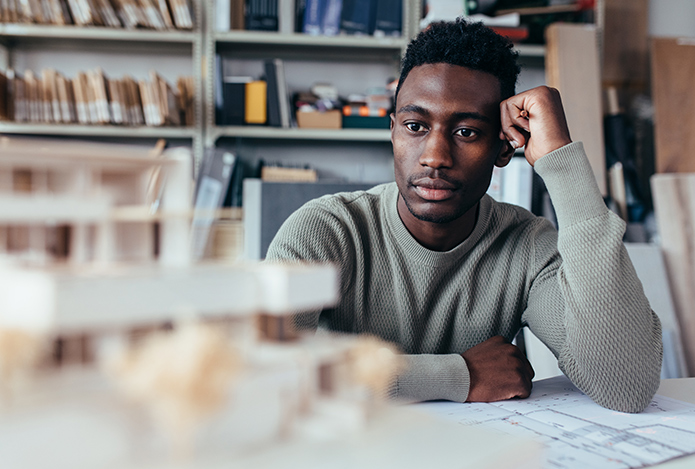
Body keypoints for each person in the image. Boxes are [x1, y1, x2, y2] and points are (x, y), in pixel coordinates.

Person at [266, 19, 662, 413]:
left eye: (467, 132)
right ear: (393, 132)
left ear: (504, 149)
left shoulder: (527, 246)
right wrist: (459, 375)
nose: (435, 156)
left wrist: (561, 161)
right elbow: (259, 378)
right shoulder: (324, 231)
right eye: (415, 126)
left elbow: (626, 385)